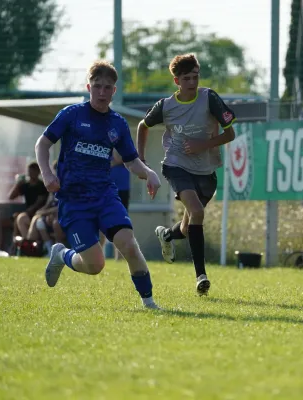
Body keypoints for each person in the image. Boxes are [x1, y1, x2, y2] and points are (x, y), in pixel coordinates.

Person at [34, 60, 162, 309]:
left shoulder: (117, 123)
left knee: (129, 245)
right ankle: (63, 254)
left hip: (104, 196)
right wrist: (47, 174)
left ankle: (149, 303)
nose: (102, 92)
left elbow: (131, 160)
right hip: (73, 200)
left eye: (107, 88)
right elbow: (43, 144)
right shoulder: (72, 114)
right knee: (95, 265)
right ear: (88, 87)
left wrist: (148, 173)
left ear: (114, 91)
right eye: (97, 86)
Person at [136, 53, 237, 296]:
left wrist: (203, 144)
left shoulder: (209, 98)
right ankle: (201, 276)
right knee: (198, 212)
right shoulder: (166, 106)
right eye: (187, 78)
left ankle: (167, 235)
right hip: (176, 166)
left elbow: (230, 134)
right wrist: (141, 160)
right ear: (176, 81)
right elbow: (143, 126)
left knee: (188, 224)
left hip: (206, 169)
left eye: (195, 77)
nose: (192, 82)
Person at [5, 161, 48, 252]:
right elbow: (11, 197)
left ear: (38, 172)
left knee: (20, 217)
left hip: (39, 214)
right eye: (30, 171)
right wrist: (18, 184)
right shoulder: (26, 185)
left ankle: (27, 246)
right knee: (20, 218)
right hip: (28, 214)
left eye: (33, 171)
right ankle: (26, 246)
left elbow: (38, 203)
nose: (31, 174)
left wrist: (29, 211)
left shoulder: (41, 186)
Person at [99, 163, 130, 261]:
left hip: (122, 187)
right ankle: (98, 256)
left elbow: (120, 158)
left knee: (120, 222)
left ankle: (119, 257)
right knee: (100, 220)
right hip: (104, 185)